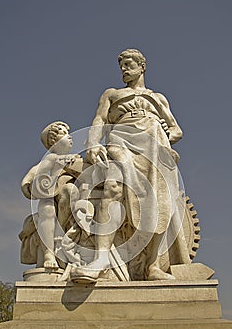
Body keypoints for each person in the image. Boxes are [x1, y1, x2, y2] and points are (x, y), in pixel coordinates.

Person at [71, 48, 191, 282]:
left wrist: (168, 134)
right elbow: (100, 119)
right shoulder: (112, 94)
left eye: (128, 64)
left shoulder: (158, 98)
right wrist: (93, 143)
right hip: (121, 140)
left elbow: (176, 129)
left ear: (141, 66)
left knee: (159, 200)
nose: (124, 69)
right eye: (122, 66)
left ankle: (153, 266)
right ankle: (101, 260)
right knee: (113, 187)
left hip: (155, 145)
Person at [20, 121, 79, 269]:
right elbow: (36, 170)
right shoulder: (52, 158)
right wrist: (26, 183)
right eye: (64, 134)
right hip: (51, 195)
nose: (70, 137)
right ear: (53, 142)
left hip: (67, 198)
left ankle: (59, 234)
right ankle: (48, 252)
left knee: (71, 190)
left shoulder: (76, 158)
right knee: (47, 208)